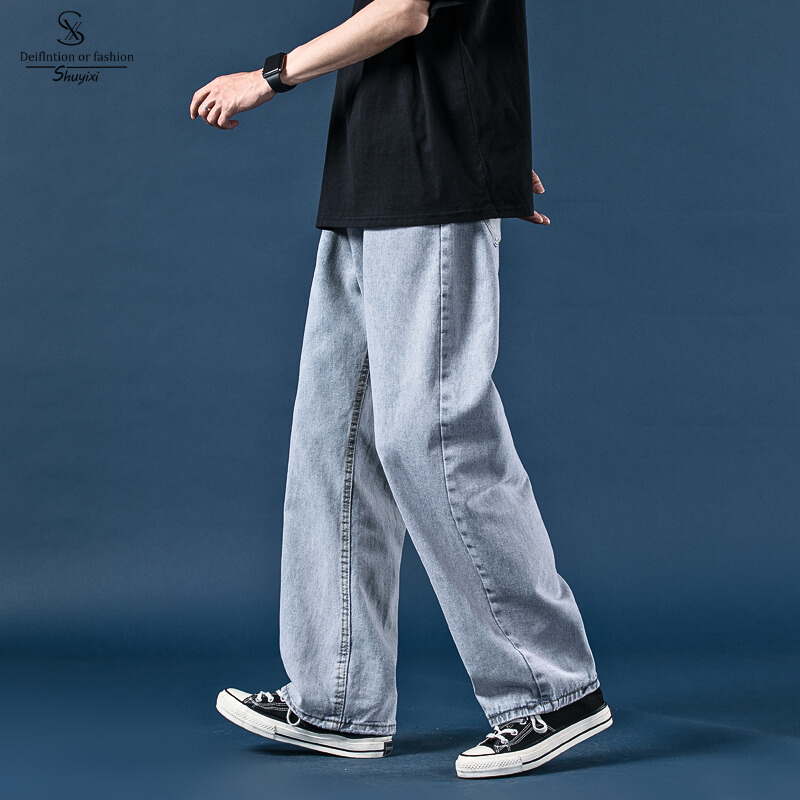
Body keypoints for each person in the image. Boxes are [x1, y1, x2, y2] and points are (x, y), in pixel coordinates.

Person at [191, 0, 611, 779]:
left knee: (432, 434)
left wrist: (268, 76)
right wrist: (494, 145)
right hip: (373, 170)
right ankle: (336, 698)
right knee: (335, 442)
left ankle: (551, 690)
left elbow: (404, 13)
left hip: (429, 174)